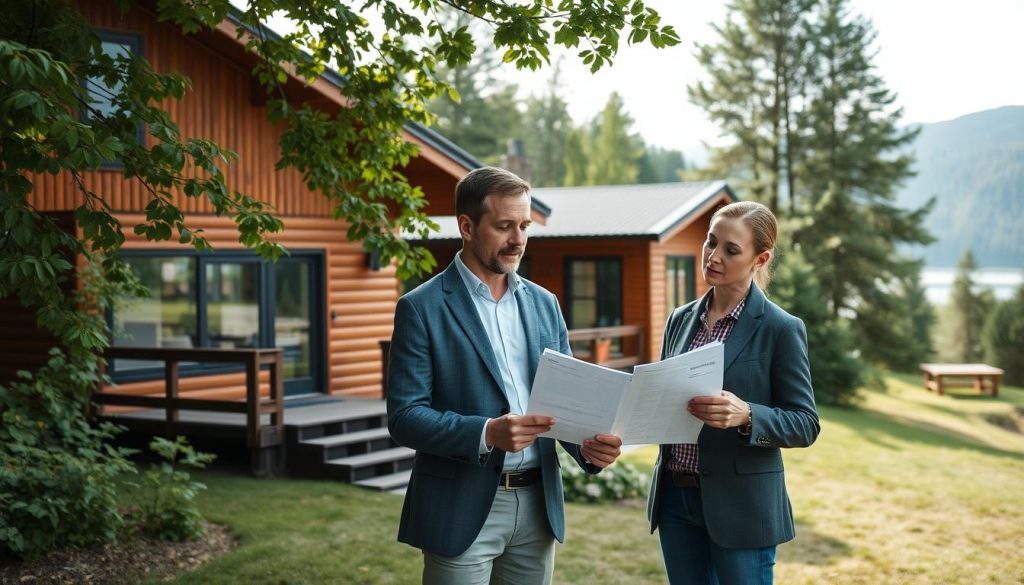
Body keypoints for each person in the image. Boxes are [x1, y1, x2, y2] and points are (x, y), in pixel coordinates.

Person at [387, 166, 623, 585]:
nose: (518, 240)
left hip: (538, 507)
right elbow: (405, 416)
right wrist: (487, 433)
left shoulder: (544, 303)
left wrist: (588, 445)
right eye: (504, 226)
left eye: (525, 226)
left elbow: (565, 400)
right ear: (466, 225)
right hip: (460, 506)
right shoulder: (421, 308)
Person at [647, 201, 820, 585]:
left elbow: (806, 423)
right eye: (710, 242)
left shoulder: (781, 328)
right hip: (676, 499)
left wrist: (748, 415)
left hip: (742, 506)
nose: (713, 255)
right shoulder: (679, 319)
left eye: (730, 249)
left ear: (761, 258)